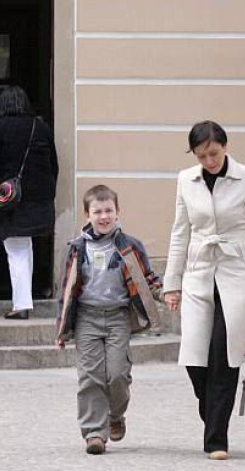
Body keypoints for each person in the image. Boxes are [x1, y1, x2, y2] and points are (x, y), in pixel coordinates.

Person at [162, 120, 245, 460]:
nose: (209, 161)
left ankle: (217, 438)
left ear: (225, 146)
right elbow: (179, 232)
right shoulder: (186, 180)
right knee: (193, 357)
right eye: (202, 156)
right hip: (199, 272)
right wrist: (171, 283)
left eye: (213, 153)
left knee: (223, 354)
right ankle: (213, 413)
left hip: (237, 273)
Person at [55, 185, 163, 455]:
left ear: (118, 212)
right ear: (87, 214)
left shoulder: (130, 245)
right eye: (97, 211)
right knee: (90, 377)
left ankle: (115, 415)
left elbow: (148, 279)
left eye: (109, 210)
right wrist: (62, 329)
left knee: (117, 375)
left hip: (118, 317)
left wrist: (165, 295)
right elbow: (67, 291)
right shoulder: (77, 248)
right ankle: (94, 432)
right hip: (87, 319)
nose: (104, 216)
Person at [0, 86, 59, 319]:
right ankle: (24, 300)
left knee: (17, 251)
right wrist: (48, 194)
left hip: (11, 200)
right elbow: (53, 164)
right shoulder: (40, 127)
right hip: (39, 198)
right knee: (26, 249)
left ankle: (21, 304)